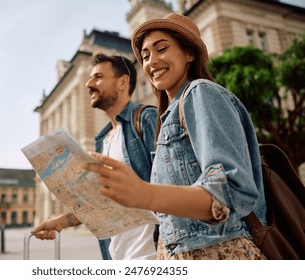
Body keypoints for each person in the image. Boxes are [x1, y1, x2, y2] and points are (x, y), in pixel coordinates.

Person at [85, 13, 268, 260]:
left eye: (162, 49)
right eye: (146, 56)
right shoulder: (168, 116)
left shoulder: (200, 92)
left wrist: (144, 193)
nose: (152, 62)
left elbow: (234, 192)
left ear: (189, 53)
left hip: (217, 253)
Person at [31, 53, 158, 260]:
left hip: (150, 255)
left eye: (97, 77)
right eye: (90, 77)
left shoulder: (146, 120)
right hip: (116, 256)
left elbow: (176, 185)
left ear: (122, 82)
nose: (88, 84)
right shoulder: (103, 140)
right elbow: (106, 205)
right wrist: (62, 222)